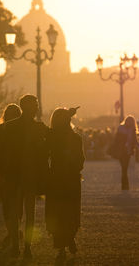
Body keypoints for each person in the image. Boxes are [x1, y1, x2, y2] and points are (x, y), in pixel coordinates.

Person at [0, 95, 48, 260]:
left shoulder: (7, 127)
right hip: (29, 175)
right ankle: (27, 247)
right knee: (30, 213)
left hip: (12, 175)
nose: (37, 108)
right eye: (35, 105)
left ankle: (16, 245)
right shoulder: (39, 128)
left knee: (14, 212)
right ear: (28, 107)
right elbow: (54, 142)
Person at [45, 107, 85, 262]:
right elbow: (81, 161)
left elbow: (43, 155)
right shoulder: (75, 138)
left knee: (57, 212)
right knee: (72, 210)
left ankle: (61, 245)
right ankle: (70, 238)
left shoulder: (50, 137)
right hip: (72, 179)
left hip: (55, 179)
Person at [0, 103, 22, 248]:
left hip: (7, 174)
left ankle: (12, 231)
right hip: (13, 174)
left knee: (9, 204)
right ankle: (13, 231)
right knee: (15, 204)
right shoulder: (18, 131)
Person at [115, 115, 139, 190]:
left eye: (131, 121)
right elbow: (117, 139)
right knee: (124, 168)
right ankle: (125, 185)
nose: (129, 123)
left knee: (125, 168)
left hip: (128, 151)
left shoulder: (132, 129)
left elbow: (135, 141)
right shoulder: (121, 128)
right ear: (126, 121)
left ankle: (125, 185)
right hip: (121, 150)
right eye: (128, 121)